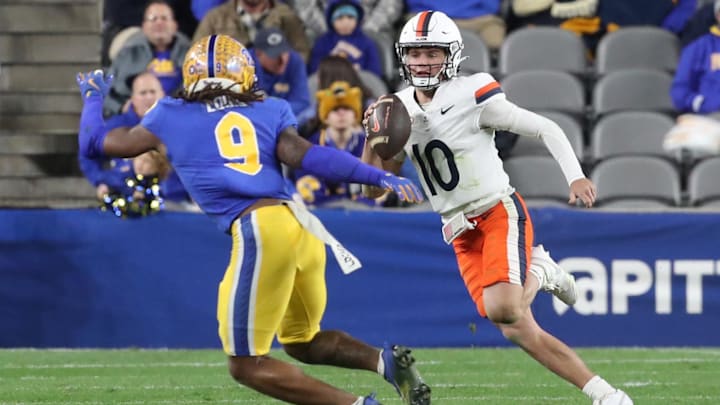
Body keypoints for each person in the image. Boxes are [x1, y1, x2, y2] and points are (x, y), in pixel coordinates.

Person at [75, 34, 430, 405]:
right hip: (300, 224)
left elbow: (93, 144)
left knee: (246, 365)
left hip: (260, 229)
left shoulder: (168, 113)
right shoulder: (268, 107)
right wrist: (377, 175)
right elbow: (309, 156)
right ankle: (385, 362)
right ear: (244, 73)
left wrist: (93, 95)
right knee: (301, 341)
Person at [361, 11, 633, 405]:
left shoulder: (473, 93)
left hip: (496, 210)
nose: (422, 62)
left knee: (504, 308)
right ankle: (606, 394)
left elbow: (546, 127)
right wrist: (373, 137)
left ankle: (539, 268)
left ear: (451, 55)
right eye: (415, 54)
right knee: (515, 326)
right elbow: (373, 192)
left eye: (431, 53)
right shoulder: (397, 106)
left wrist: (574, 176)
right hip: (457, 228)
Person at [80, 72, 190, 207]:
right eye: (143, 93)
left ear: (162, 95)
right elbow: (88, 153)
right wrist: (99, 181)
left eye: (153, 91)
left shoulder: (180, 127)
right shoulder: (116, 126)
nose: (149, 97)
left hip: (176, 203)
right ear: (132, 98)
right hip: (124, 202)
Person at [293, 81, 377, 207]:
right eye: (335, 109)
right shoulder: (310, 147)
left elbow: (378, 190)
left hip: (362, 213)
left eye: (347, 108)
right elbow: (306, 189)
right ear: (325, 117)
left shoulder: (369, 146)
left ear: (355, 116)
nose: (341, 113)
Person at [105, 0, 190, 116]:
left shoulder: (190, 53)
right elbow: (106, 91)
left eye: (164, 18)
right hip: (134, 117)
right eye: (153, 18)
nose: (159, 23)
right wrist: (121, 107)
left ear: (175, 25)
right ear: (144, 26)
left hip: (178, 115)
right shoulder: (128, 53)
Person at [193, 0, 310, 61]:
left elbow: (302, 53)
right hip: (229, 87)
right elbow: (196, 54)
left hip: (275, 88)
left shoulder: (286, 16)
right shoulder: (215, 17)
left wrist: (283, 69)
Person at [307, 0, 382, 78]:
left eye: (350, 17)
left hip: (360, 84)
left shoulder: (367, 43)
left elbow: (374, 73)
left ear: (358, 19)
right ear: (331, 21)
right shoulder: (322, 43)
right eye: (339, 18)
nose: (346, 23)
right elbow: (315, 71)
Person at [671, 0, 720, 115]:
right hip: (710, 117)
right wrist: (701, 103)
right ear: (718, 16)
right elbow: (680, 90)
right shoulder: (699, 47)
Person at [250, 27, 311, 118]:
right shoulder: (244, 62)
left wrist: (275, 110)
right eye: (275, 55)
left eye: (285, 52)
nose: (283, 60)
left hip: (286, 118)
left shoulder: (294, 60)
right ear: (258, 54)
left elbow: (302, 102)